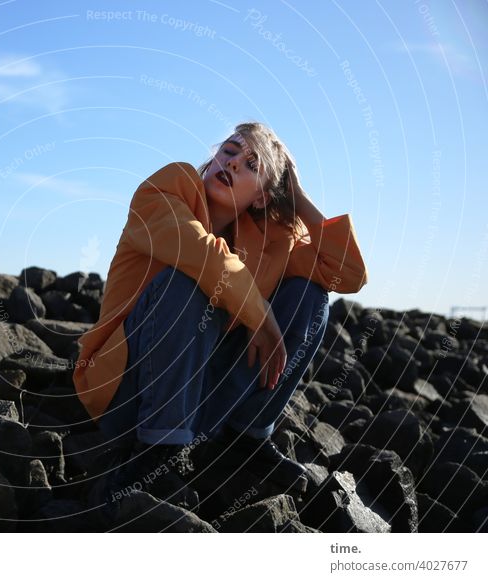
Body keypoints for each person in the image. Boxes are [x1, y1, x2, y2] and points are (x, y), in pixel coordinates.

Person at [72, 122, 367, 511]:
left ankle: (245, 436)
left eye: (252, 163)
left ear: (262, 198)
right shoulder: (166, 188)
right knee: (189, 282)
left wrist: (297, 196)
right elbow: (202, 252)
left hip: (201, 399)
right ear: (212, 160)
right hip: (124, 392)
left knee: (309, 296)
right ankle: (153, 452)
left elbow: (347, 275)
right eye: (229, 151)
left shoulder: (269, 240)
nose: (233, 163)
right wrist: (260, 317)